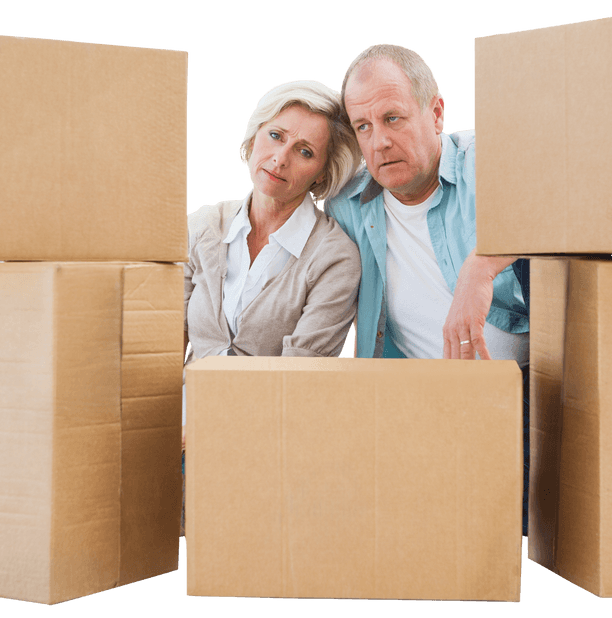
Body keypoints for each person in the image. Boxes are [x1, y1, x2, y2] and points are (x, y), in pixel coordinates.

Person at [324, 44, 530, 533]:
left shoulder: (492, 161)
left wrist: (482, 267)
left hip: (526, 393)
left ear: (436, 112)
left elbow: (585, 199)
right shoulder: (346, 203)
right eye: (364, 127)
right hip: (420, 406)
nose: (379, 142)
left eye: (393, 118)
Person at [181, 80, 363, 535]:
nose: (280, 158)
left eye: (305, 151)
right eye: (276, 136)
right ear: (253, 138)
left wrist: (207, 430)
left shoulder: (334, 257)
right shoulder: (203, 227)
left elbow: (299, 380)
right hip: (182, 426)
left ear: (322, 173)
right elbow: (162, 343)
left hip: (270, 442)